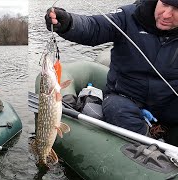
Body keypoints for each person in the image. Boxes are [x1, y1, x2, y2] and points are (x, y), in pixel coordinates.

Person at [45, 0, 178, 145]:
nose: (166, 15)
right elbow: (94, 27)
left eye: (177, 9)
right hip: (126, 95)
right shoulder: (129, 16)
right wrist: (69, 23)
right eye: (164, 4)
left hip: (168, 100)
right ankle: (149, 143)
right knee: (116, 110)